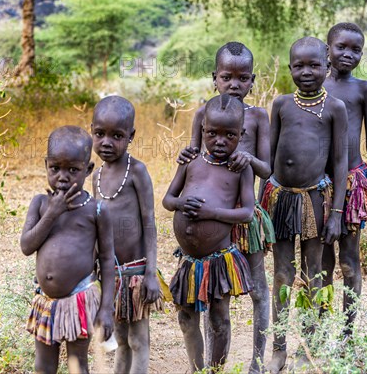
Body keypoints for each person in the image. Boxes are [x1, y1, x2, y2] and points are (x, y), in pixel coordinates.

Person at [177, 41, 274, 373]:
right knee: (213, 290)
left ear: (252, 80)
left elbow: (268, 169)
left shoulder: (259, 117)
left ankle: (258, 362)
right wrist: (184, 156)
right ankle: (207, 365)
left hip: (246, 220)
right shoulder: (203, 114)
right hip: (208, 219)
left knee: (258, 290)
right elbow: (194, 155)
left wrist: (250, 159)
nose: (235, 84)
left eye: (243, 78)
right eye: (227, 77)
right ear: (214, 78)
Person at [262, 37, 348, 373]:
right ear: (290, 69)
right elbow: (268, 160)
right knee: (282, 274)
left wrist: (337, 213)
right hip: (281, 199)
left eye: (314, 65)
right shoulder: (281, 105)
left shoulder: (335, 108)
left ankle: (308, 347)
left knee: (315, 274)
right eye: (299, 66)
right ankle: (279, 349)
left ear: (327, 68)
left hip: (316, 199)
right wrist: (260, 207)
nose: (306, 72)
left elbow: (339, 163)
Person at [163, 94, 256, 372]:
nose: (220, 141)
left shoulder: (240, 168)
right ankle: (196, 367)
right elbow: (168, 199)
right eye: (212, 133)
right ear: (202, 130)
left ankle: (215, 370)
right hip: (190, 261)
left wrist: (211, 214)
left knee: (219, 319)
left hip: (219, 259)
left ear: (242, 134)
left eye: (229, 135)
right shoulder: (190, 161)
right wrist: (180, 204)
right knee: (186, 317)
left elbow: (247, 213)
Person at [21, 126, 115, 374]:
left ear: (88, 169)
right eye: (55, 168)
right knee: (43, 366)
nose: (63, 176)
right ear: (46, 165)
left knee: (77, 364)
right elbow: (26, 246)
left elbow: (106, 260)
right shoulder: (41, 204)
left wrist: (106, 309)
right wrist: (52, 214)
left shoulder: (96, 210)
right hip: (46, 300)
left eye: (73, 170)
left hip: (79, 298)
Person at [91, 95, 172, 374]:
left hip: (137, 273)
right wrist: (94, 273)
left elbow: (149, 222)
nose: (106, 142)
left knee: (138, 338)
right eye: (99, 134)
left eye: (117, 136)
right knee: (120, 337)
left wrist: (151, 272)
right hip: (110, 272)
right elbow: (96, 224)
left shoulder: (137, 171)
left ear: (131, 136)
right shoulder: (96, 176)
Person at [322, 22, 367, 337]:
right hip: (319, 186)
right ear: (327, 49)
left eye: (356, 49)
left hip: (353, 183)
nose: (348, 54)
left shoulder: (364, 90)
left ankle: (347, 332)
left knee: (349, 259)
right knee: (320, 262)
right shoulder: (314, 86)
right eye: (341, 47)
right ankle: (317, 329)